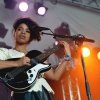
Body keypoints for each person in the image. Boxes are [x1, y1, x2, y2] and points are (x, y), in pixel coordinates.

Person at [0, 17, 71, 100]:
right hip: (23, 95)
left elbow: (54, 76)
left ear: (31, 36)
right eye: (20, 29)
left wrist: (67, 56)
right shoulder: (5, 52)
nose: (23, 32)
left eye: (27, 31)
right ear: (14, 32)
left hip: (45, 94)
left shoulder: (36, 55)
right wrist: (17, 63)